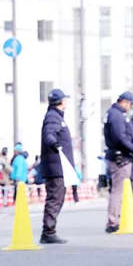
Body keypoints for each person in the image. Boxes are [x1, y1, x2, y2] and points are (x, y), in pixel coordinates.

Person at [104, 91, 133, 233]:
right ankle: (113, 221)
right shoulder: (116, 115)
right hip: (120, 157)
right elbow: (120, 138)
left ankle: (117, 219)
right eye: (129, 104)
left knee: (121, 190)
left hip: (122, 156)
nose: (129, 107)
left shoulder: (116, 114)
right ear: (125, 102)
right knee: (118, 190)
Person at [39, 89, 74, 244]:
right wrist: (55, 143)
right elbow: (49, 134)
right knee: (55, 198)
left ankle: (49, 230)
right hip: (55, 166)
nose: (66, 102)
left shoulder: (56, 116)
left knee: (57, 197)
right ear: (60, 101)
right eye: (65, 99)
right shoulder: (53, 117)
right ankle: (48, 231)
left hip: (58, 166)